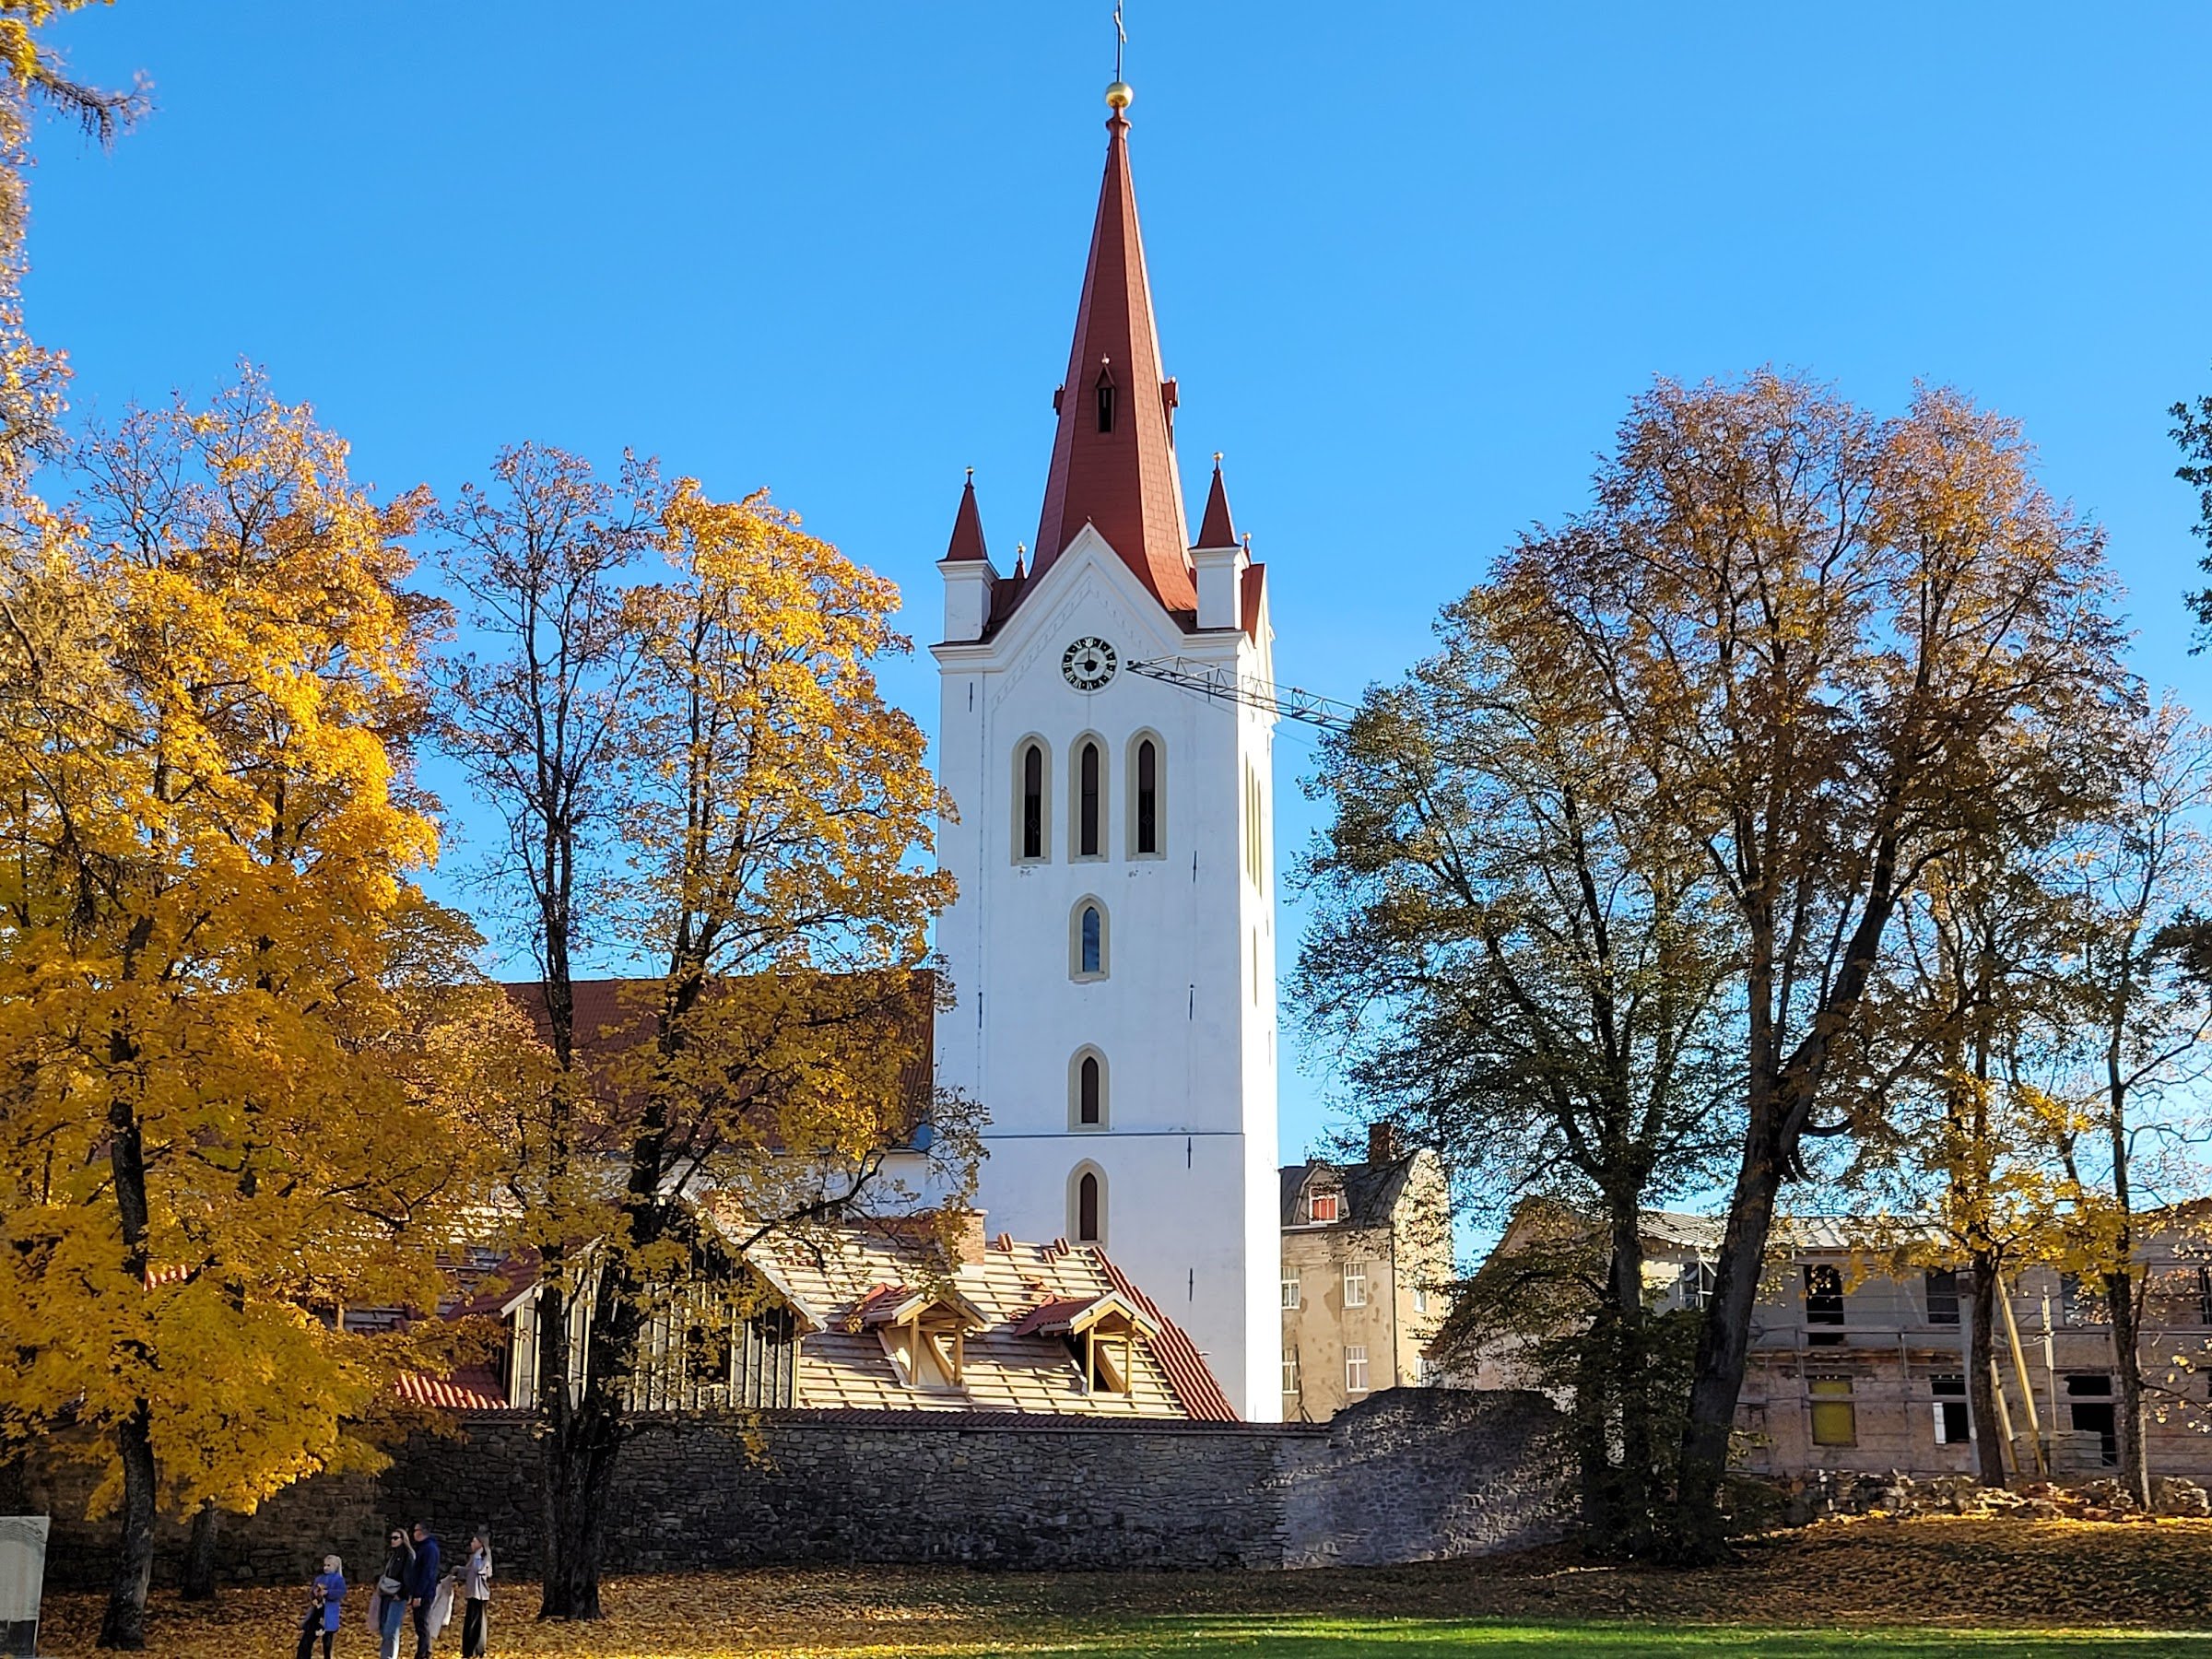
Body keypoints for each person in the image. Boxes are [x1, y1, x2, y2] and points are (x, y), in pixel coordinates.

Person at [372, 1528, 414, 1659]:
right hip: (387, 1593)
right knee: (384, 1627)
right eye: (391, 1538)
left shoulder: (407, 1555)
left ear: (403, 1539)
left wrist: (402, 1594)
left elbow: (409, 1576)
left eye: (396, 1538)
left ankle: (389, 1656)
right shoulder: (393, 1555)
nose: (392, 1541)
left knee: (391, 1629)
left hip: (397, 1596)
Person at [406, 1520, 442, 1659]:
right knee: (420, 1622)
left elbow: (427, 1573)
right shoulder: (424, 1548)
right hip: (421, 1590)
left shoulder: (429, 1549)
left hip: (425, 1592)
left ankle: (424, 1652)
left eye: (415, 1531)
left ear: (421, 1532)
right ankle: (425, 1650)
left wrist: (419, 1594)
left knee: (422, 1622)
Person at [296, 1554, 344, 1659]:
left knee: (327, 1641)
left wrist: (327, 1593)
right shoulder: (320, 1578)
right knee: (307, 1637)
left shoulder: (338, 1580)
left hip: (329, 1614)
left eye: (329, 1565)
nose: (325, 1568)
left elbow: (340, 1593)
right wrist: (314, 1596)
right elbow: (312, 1591)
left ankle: (328, 1656)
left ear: (335, 1567)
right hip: (316, 1613)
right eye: (325, 1565)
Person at [458, 1530, 492, 1658]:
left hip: (480, 1595)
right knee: (470, 1623)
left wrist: (478, 1554)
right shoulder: (474, 1557)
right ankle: (469, 1650)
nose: (471, 1543)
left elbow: (479, 1569)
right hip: (472, 1593)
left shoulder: (483, 1557)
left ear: (480, 1543)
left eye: (474, 1541)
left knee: (478, 1624)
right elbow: (469, 1571)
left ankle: (477, 1649)